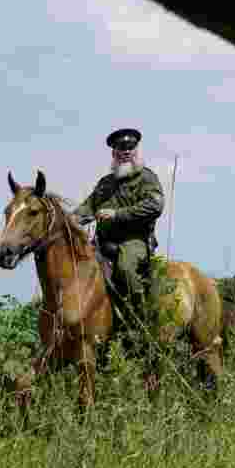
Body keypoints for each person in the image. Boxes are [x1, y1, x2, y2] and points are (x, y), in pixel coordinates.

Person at [72, 128, 165, 338]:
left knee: (125, 268)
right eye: (120, 148)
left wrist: (117, 214)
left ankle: (140, 321)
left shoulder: (147, 178)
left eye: (130, 147)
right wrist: (69, 221)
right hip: (103, 243)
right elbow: (88, 207)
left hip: (134, 241)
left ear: (136, 150)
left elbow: (155, 206)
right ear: (114, 153)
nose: (125, 152)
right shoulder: (106, 183)